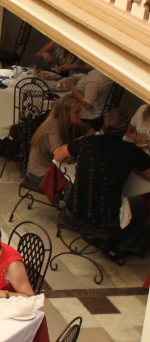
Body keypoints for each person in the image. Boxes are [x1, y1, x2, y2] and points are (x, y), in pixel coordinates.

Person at [53, 109, 150, 258]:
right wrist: (134, 166)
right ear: (125, 132)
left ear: (104, 127)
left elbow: (58, 155)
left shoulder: (87, 141)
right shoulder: (132, 151)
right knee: (146, 204)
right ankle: (127, 245)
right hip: (106, 219)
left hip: (73, 210)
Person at [26, 96, 92, 186]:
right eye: (77, 112)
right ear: (64, 113)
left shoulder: (71, 123)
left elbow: (91, 130)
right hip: (40, 174)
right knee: (82, 186)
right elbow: (59, 155)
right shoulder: (53, 124)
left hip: (57, 170)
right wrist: (78, 145)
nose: (81, 114)